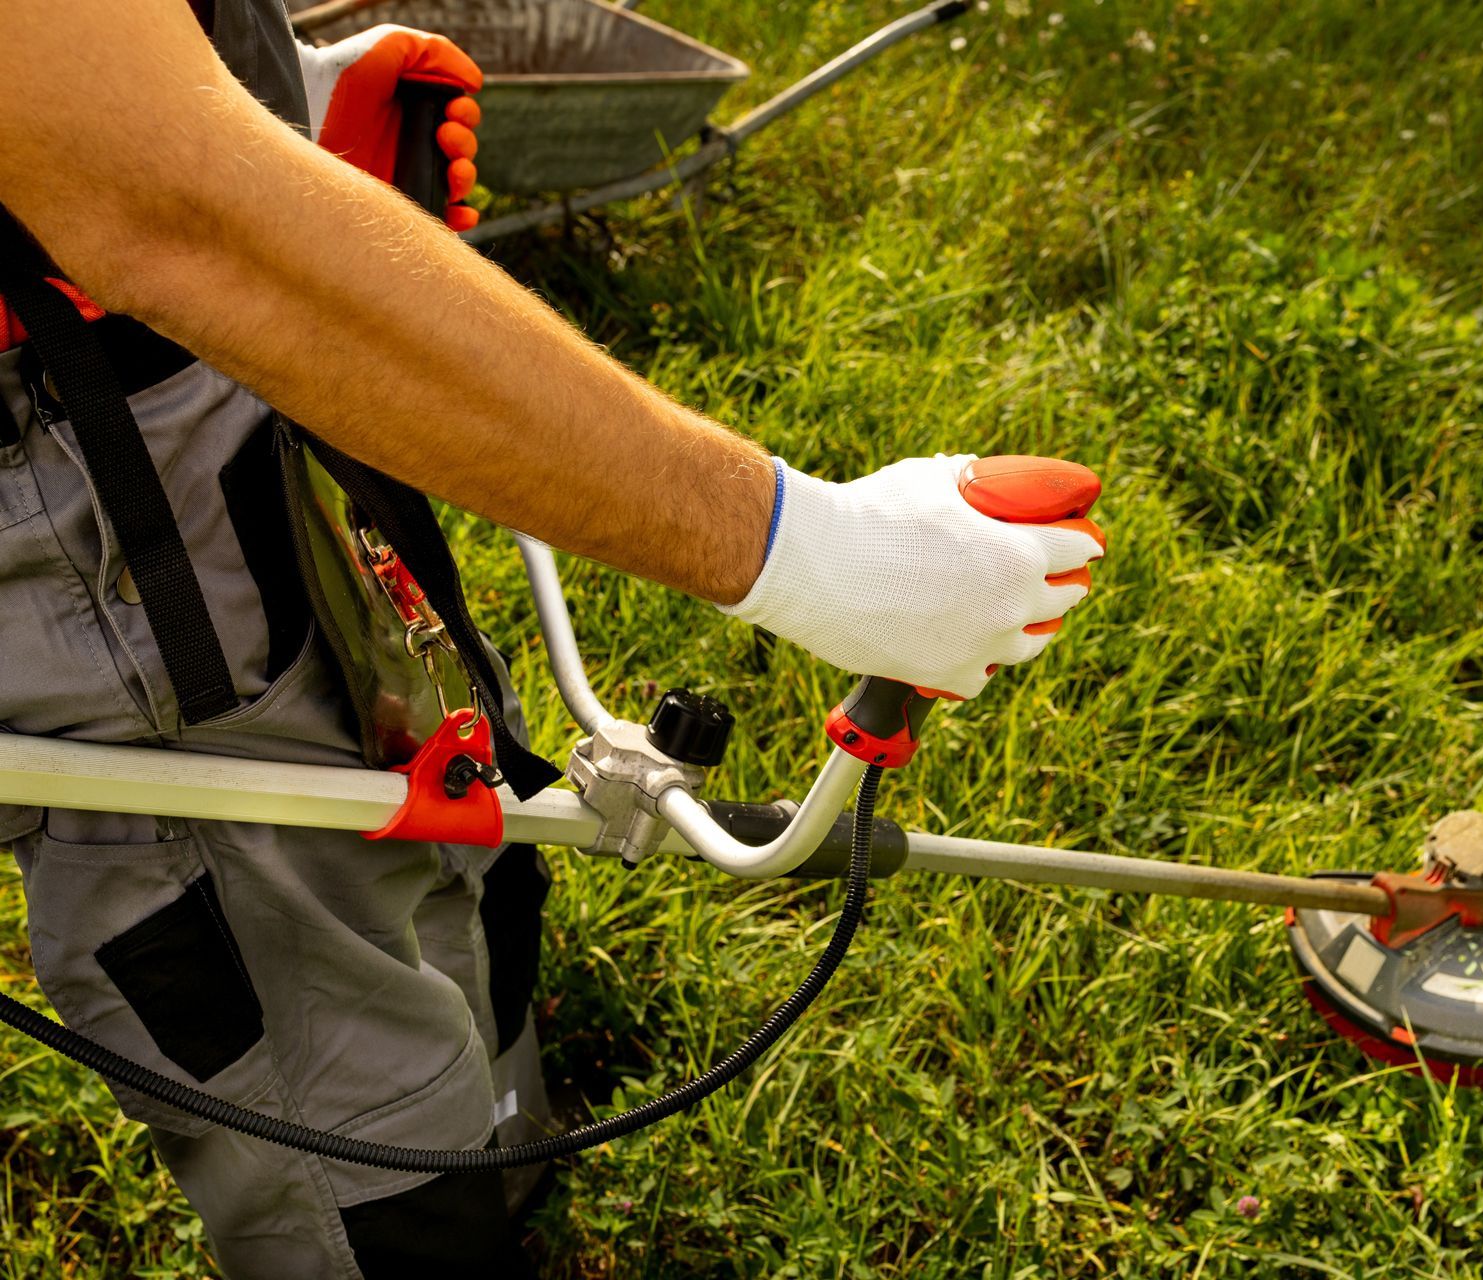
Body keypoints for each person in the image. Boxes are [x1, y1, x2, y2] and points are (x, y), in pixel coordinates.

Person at [0, 3, 1105, 1277]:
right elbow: (162, 211)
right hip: (95, 478)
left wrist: (260, 97)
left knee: (458, 799)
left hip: (208, 374)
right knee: (297, 972)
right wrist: (814, 552)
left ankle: (508, 1159)